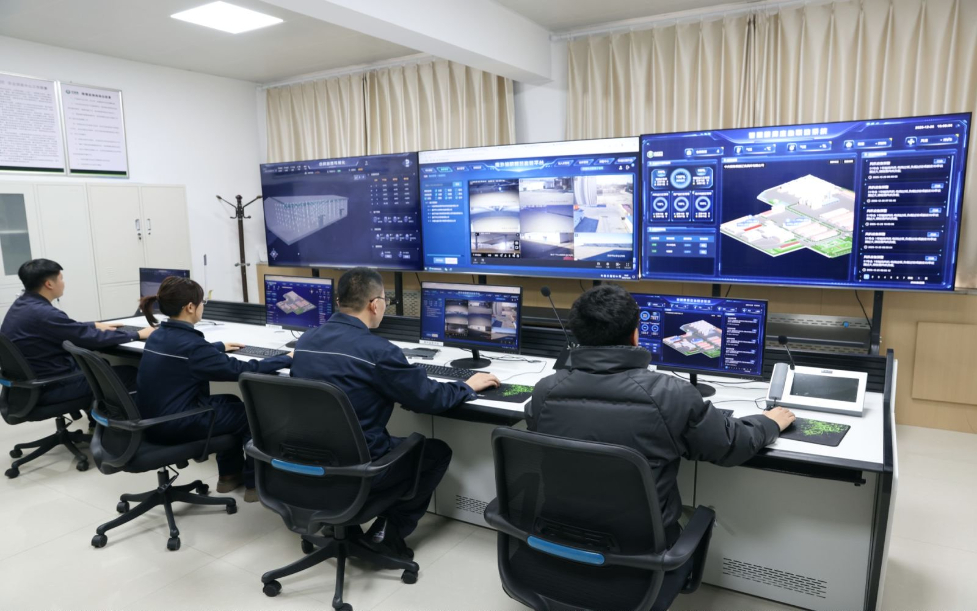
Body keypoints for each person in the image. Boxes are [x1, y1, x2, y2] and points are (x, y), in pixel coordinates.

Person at [526, 284, 795, 611]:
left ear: (577, 336)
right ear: (635, 335)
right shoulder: (670, 394)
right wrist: (768, 423)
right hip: (642, 554)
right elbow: (730, 446)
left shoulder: (544, 390)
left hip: (558, 539)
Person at [290, 267, 501, 559]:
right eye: (385, 301)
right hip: (358, 470)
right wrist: (466, 386)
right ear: (374, 305)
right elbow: (429, 399)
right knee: (435, 453)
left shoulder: (306, 341)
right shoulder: (378, 352)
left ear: (339, 302)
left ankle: (342, 526)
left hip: (306, 465)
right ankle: (387, 537)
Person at [136, 276, 293, 503]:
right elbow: (241, 370)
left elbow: (189, 354)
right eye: (202, 302)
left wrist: (217, 348)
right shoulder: (192, 345)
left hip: (153, 419)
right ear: (190, 307)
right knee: (252, 414)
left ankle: (229, 476)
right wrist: (286, 358)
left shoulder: (158, 334)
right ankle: (256, 484)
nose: (203, 306)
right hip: (176, 423)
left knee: (230, 400)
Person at [1, 258, 153, 406]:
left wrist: (94, 325)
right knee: (129, 374)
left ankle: (101, 416)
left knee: (103, 364)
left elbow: (64, 328)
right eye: (61, 279)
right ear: (49, 284)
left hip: (27, 386)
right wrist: (138, 334)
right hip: (50, 387)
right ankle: (132, 422)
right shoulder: (44, 313)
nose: (63, 283)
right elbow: (91, 339)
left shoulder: (22, 305)